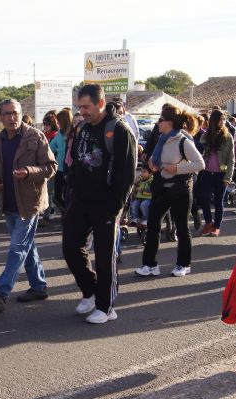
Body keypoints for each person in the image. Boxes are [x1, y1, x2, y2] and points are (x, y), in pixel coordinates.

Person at [63, 84, 136, 324]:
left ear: (101, 103)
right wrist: (71, 192)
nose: (81, 111)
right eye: (79, 106)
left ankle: (106, 307)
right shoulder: (83, 127)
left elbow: (127, 173)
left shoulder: (119, 130)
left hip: (106, 204)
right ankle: (91, 291)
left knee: (105, 257)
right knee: (70, 247)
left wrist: (117, 206)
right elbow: (75, 163)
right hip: (81, 201)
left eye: (86, 106)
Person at [0, 98, 57, 311]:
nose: (11, 117)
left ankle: (0, 293)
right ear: (0, 116)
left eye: (14, 113)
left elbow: (51, 167)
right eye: (6, 113)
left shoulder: (35, 136)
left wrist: (29, 172)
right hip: (8, 203)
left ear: (20, 113)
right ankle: (39, 286)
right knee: (27, 246)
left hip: (30, 203)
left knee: (17, 248)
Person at [135, 106, 205, 277]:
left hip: (180, 188)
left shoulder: (183, 141)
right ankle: (150, 265)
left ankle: (183, 264)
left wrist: (177, 168)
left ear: (170, 123)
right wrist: (151, 165)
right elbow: (155, 160)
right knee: (153, 225)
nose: (158, 123)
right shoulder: (161, 139)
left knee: (182, 227)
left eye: (161, 120)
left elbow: (200, 164)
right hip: (161, 187)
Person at [197, 109, 235, 237]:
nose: (223, 122)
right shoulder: (207, 135)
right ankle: (208, 222)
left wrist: (228, 177)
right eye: (220, 119)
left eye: (224, 119)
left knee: (218, 202)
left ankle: (216, 226)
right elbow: (200, 143)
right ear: (214, 121)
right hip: (206, 172)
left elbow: (231, 158)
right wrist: (209, 133)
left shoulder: (228, 137)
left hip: (221, 174)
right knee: (203, 198)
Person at [50, 109, 72, 210]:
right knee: (57, 197)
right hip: (59, 169)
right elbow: (50, 147)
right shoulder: (59, 133)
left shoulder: (74, 132)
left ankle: (67, 216)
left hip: (70, 169)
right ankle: (66, 211)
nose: (57, 123)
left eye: (59, 121)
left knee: (68, 196)